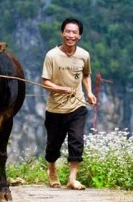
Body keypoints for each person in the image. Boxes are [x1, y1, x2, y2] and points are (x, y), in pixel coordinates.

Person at [41, 17, 97, 190]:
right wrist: (61, 89)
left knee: (76, 140)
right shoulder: (52, 55)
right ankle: (52, 170)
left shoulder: (84, 55)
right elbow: (45, 82)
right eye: (67, 31)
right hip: (55, 109)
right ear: (62, 33)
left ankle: (72, 179)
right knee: (53, 146)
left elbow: (86, 75)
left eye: (74, 32)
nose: (70, 35)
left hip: (77, 106)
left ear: (79, 36)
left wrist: (89, 92)